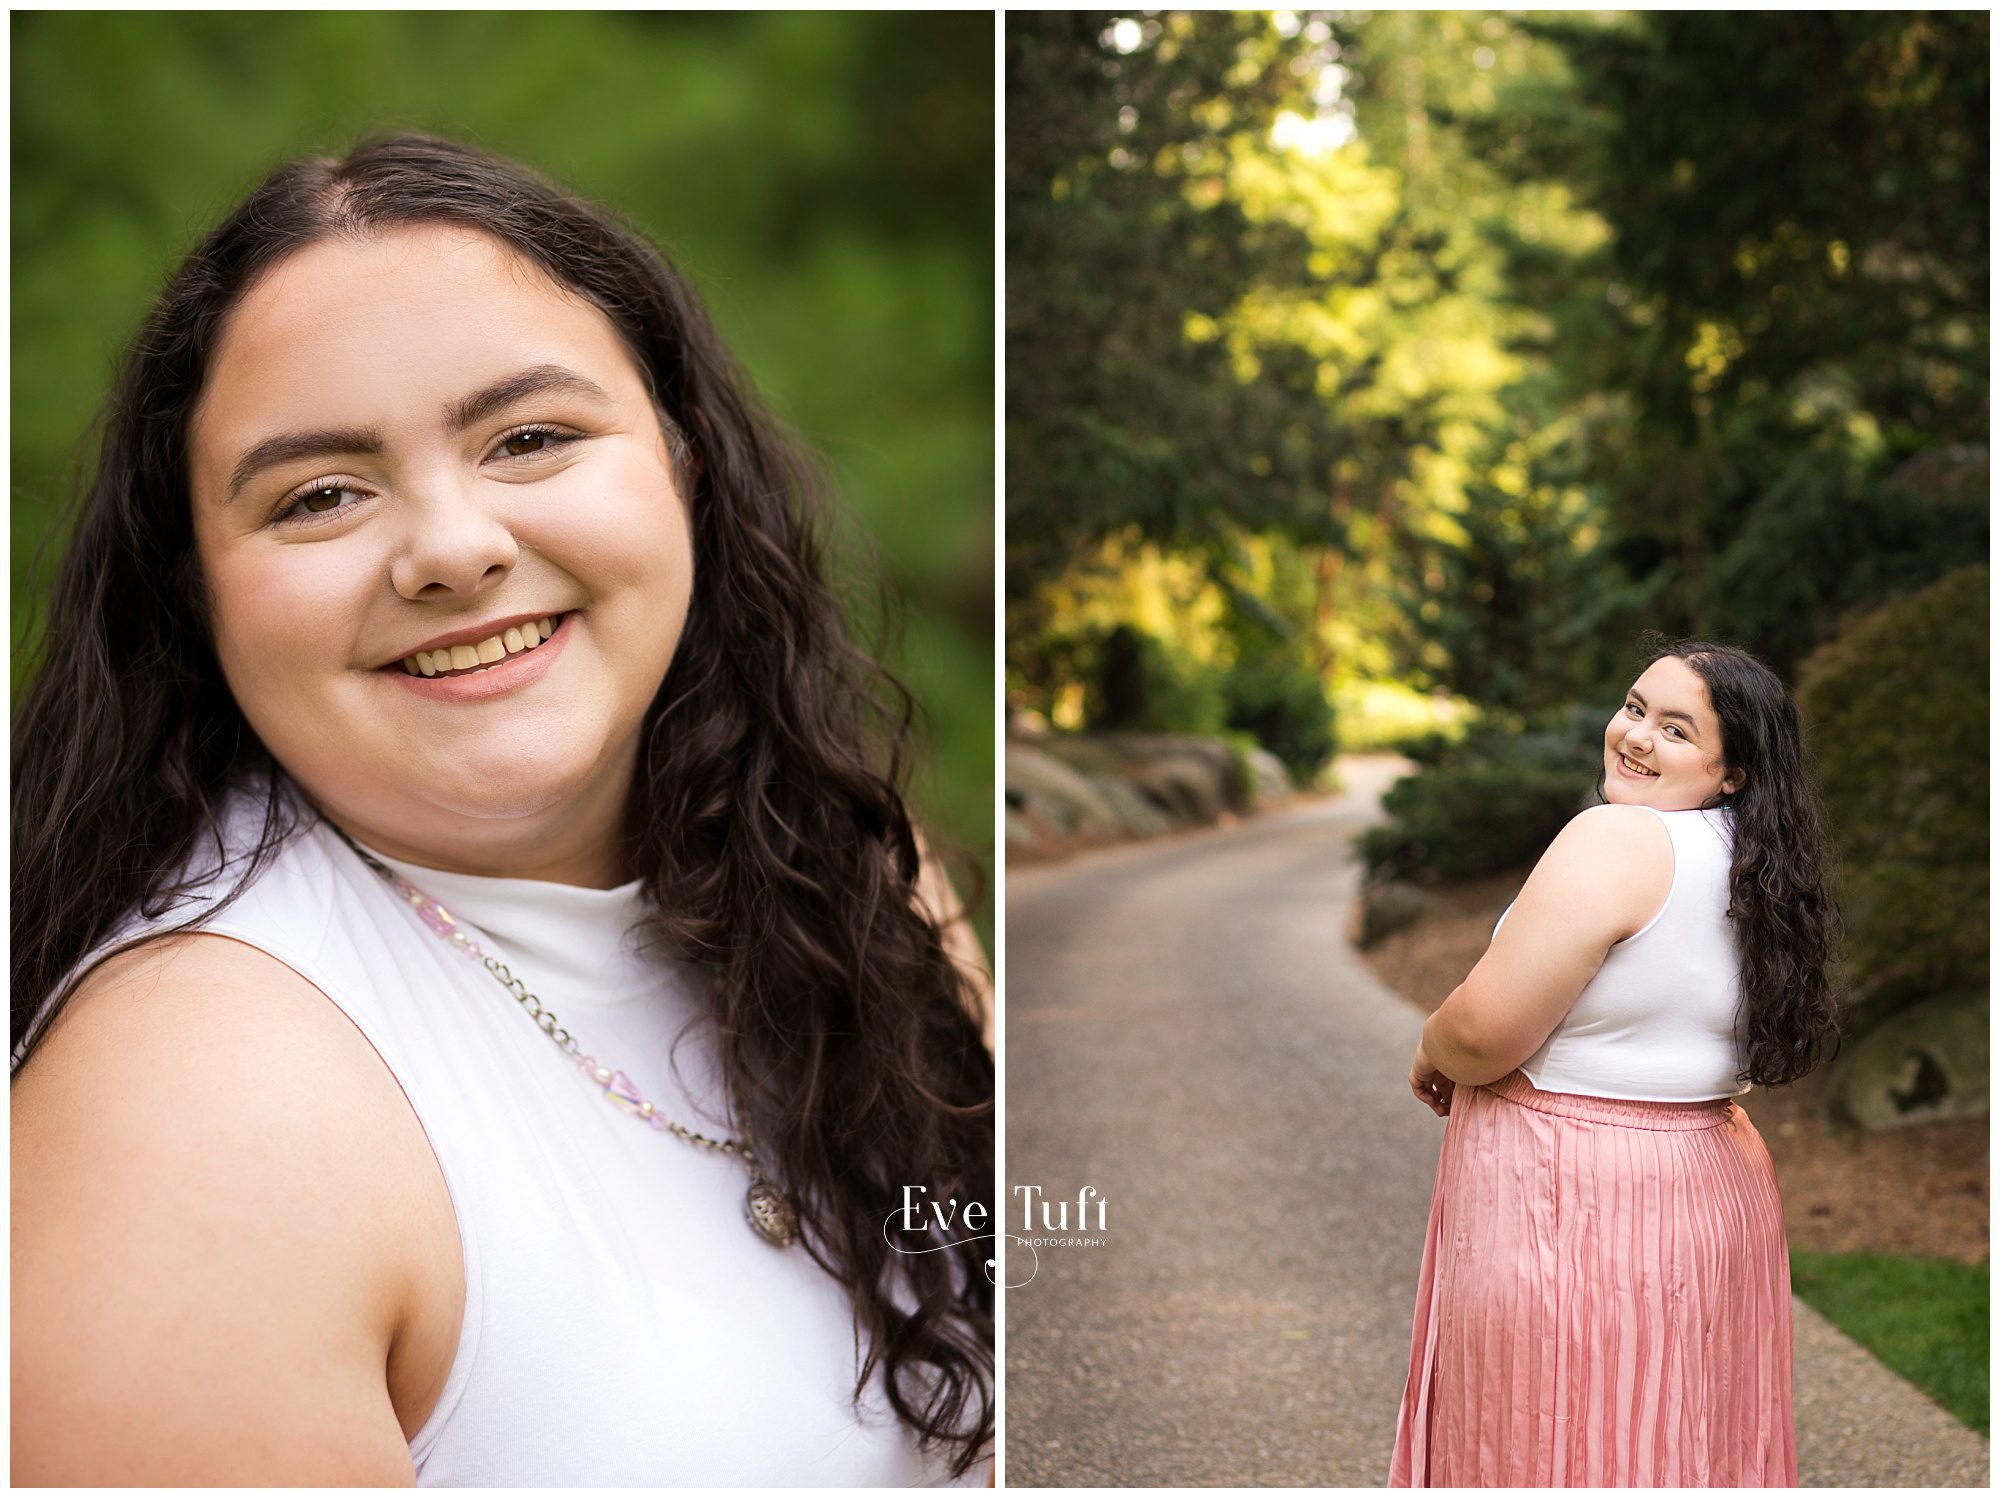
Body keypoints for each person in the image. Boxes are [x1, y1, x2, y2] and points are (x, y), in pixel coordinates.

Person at [11, 134, 995, 1486]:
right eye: (321, 495)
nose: (454, 547)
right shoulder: (201, 1123)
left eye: (528, 437)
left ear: (682, 467)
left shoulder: (854, 880)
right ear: (196, 591)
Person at [1390, 638, 1840, 1487]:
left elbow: (1484, 1033)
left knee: (1544, 1442)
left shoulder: (1616, 839)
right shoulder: (1761, 867)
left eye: (1675, 729)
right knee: (1683, 1445)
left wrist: (1431, 1044)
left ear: (1733, 768)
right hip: (1714, 1179)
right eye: (1635, 707)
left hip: (1577, 1195)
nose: (1634, 737)